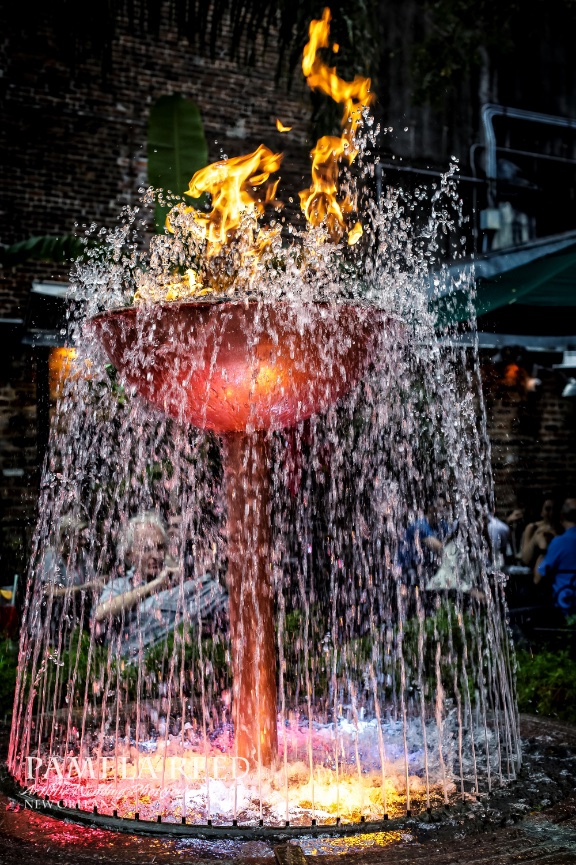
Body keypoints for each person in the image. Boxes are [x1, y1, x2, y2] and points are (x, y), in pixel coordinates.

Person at [94, 511, 227, 657]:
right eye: (147, 549)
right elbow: (101, 613)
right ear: (129, 555)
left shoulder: (182, 581)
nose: (156, 556)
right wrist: (153, 586)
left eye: (160, 547)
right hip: (133, 664)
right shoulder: (120, 585)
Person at [398, 497, 452, 587]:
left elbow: (453, 539)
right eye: (439, 506)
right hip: (405, 572)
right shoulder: (420, 525)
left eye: (444, 506)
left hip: (423, 571)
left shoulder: (442, 525)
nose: (442, 509)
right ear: (430, 508)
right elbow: (438, 547)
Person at [537, 498, 576, 617]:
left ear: (561, 516)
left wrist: (543, 549)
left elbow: (537, 578)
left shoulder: (559, 542)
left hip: (566, 606)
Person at [520, 495, 562, 579]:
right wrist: (535, 539)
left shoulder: (561, 529)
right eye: (547, 509)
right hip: (534, 574)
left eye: (555, 509)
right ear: (541, 511)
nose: (552, 513)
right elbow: (525, 559)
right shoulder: (533, 528)